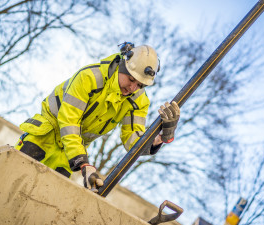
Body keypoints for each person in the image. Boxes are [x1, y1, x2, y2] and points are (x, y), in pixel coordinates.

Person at [15, 43, 180, 192]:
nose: (132, 87)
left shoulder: (138, 101)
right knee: (10, 179)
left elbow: (133, 141)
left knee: (38, 200)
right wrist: (83, 163)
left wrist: (161, 137)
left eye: (140, 85)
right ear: (123, 66)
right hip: (44, 136)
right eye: (131, 79)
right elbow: (69, 121)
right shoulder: (90, 77)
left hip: (68, 155)